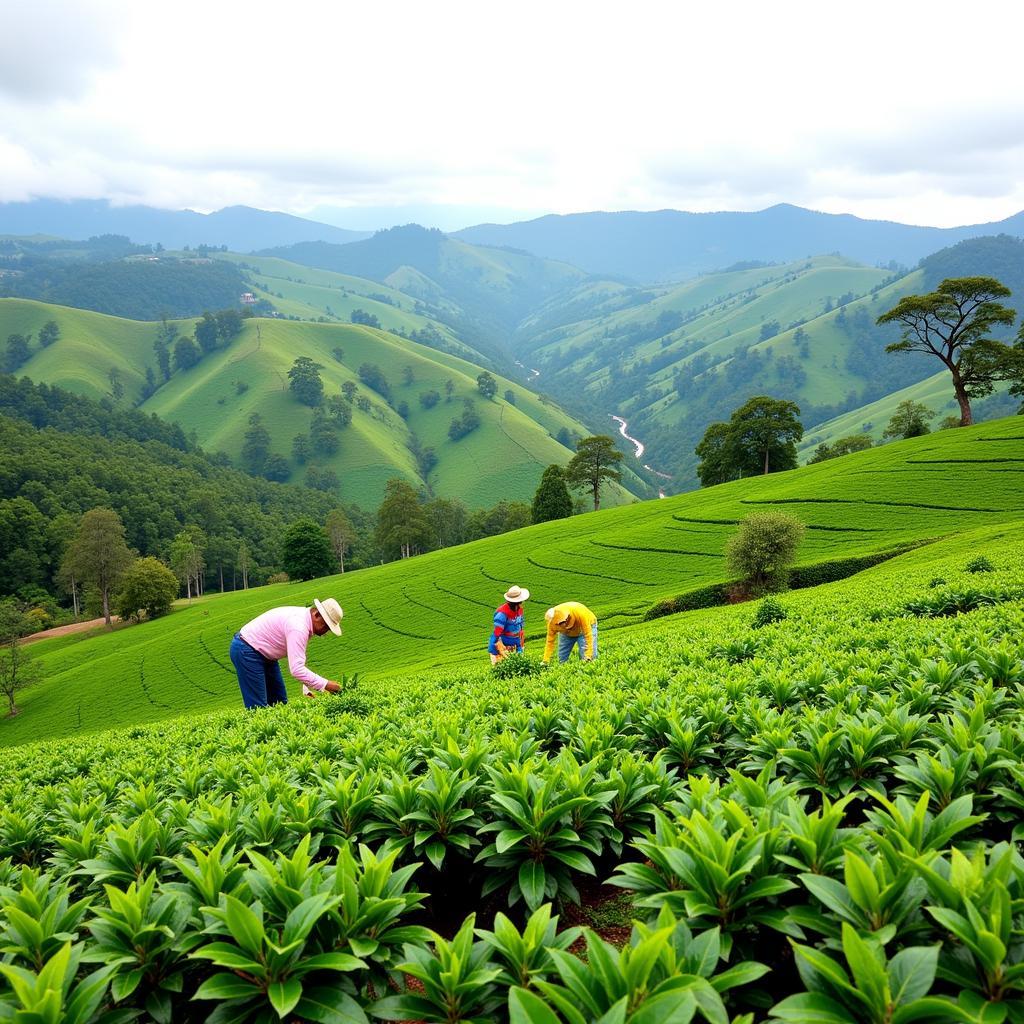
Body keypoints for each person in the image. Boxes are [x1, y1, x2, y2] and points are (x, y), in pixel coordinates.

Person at [230, 597, 345, 709]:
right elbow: (297, 669)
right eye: (326, 626)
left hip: (266, 656)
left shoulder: (303, 619)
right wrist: (326, 685)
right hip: (247, 650)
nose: (326, 631)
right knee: (257, 708)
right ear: (316, 615)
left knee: (279, 702)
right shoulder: (298, 627)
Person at [489, 585, 529, 664]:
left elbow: (520, 627)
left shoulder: (519, 609)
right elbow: (497, 633)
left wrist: (520, 645)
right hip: (503, 645)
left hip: (516, 643)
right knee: (503, 667)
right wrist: (498, 650)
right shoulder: (502, 614)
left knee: (518, 665)